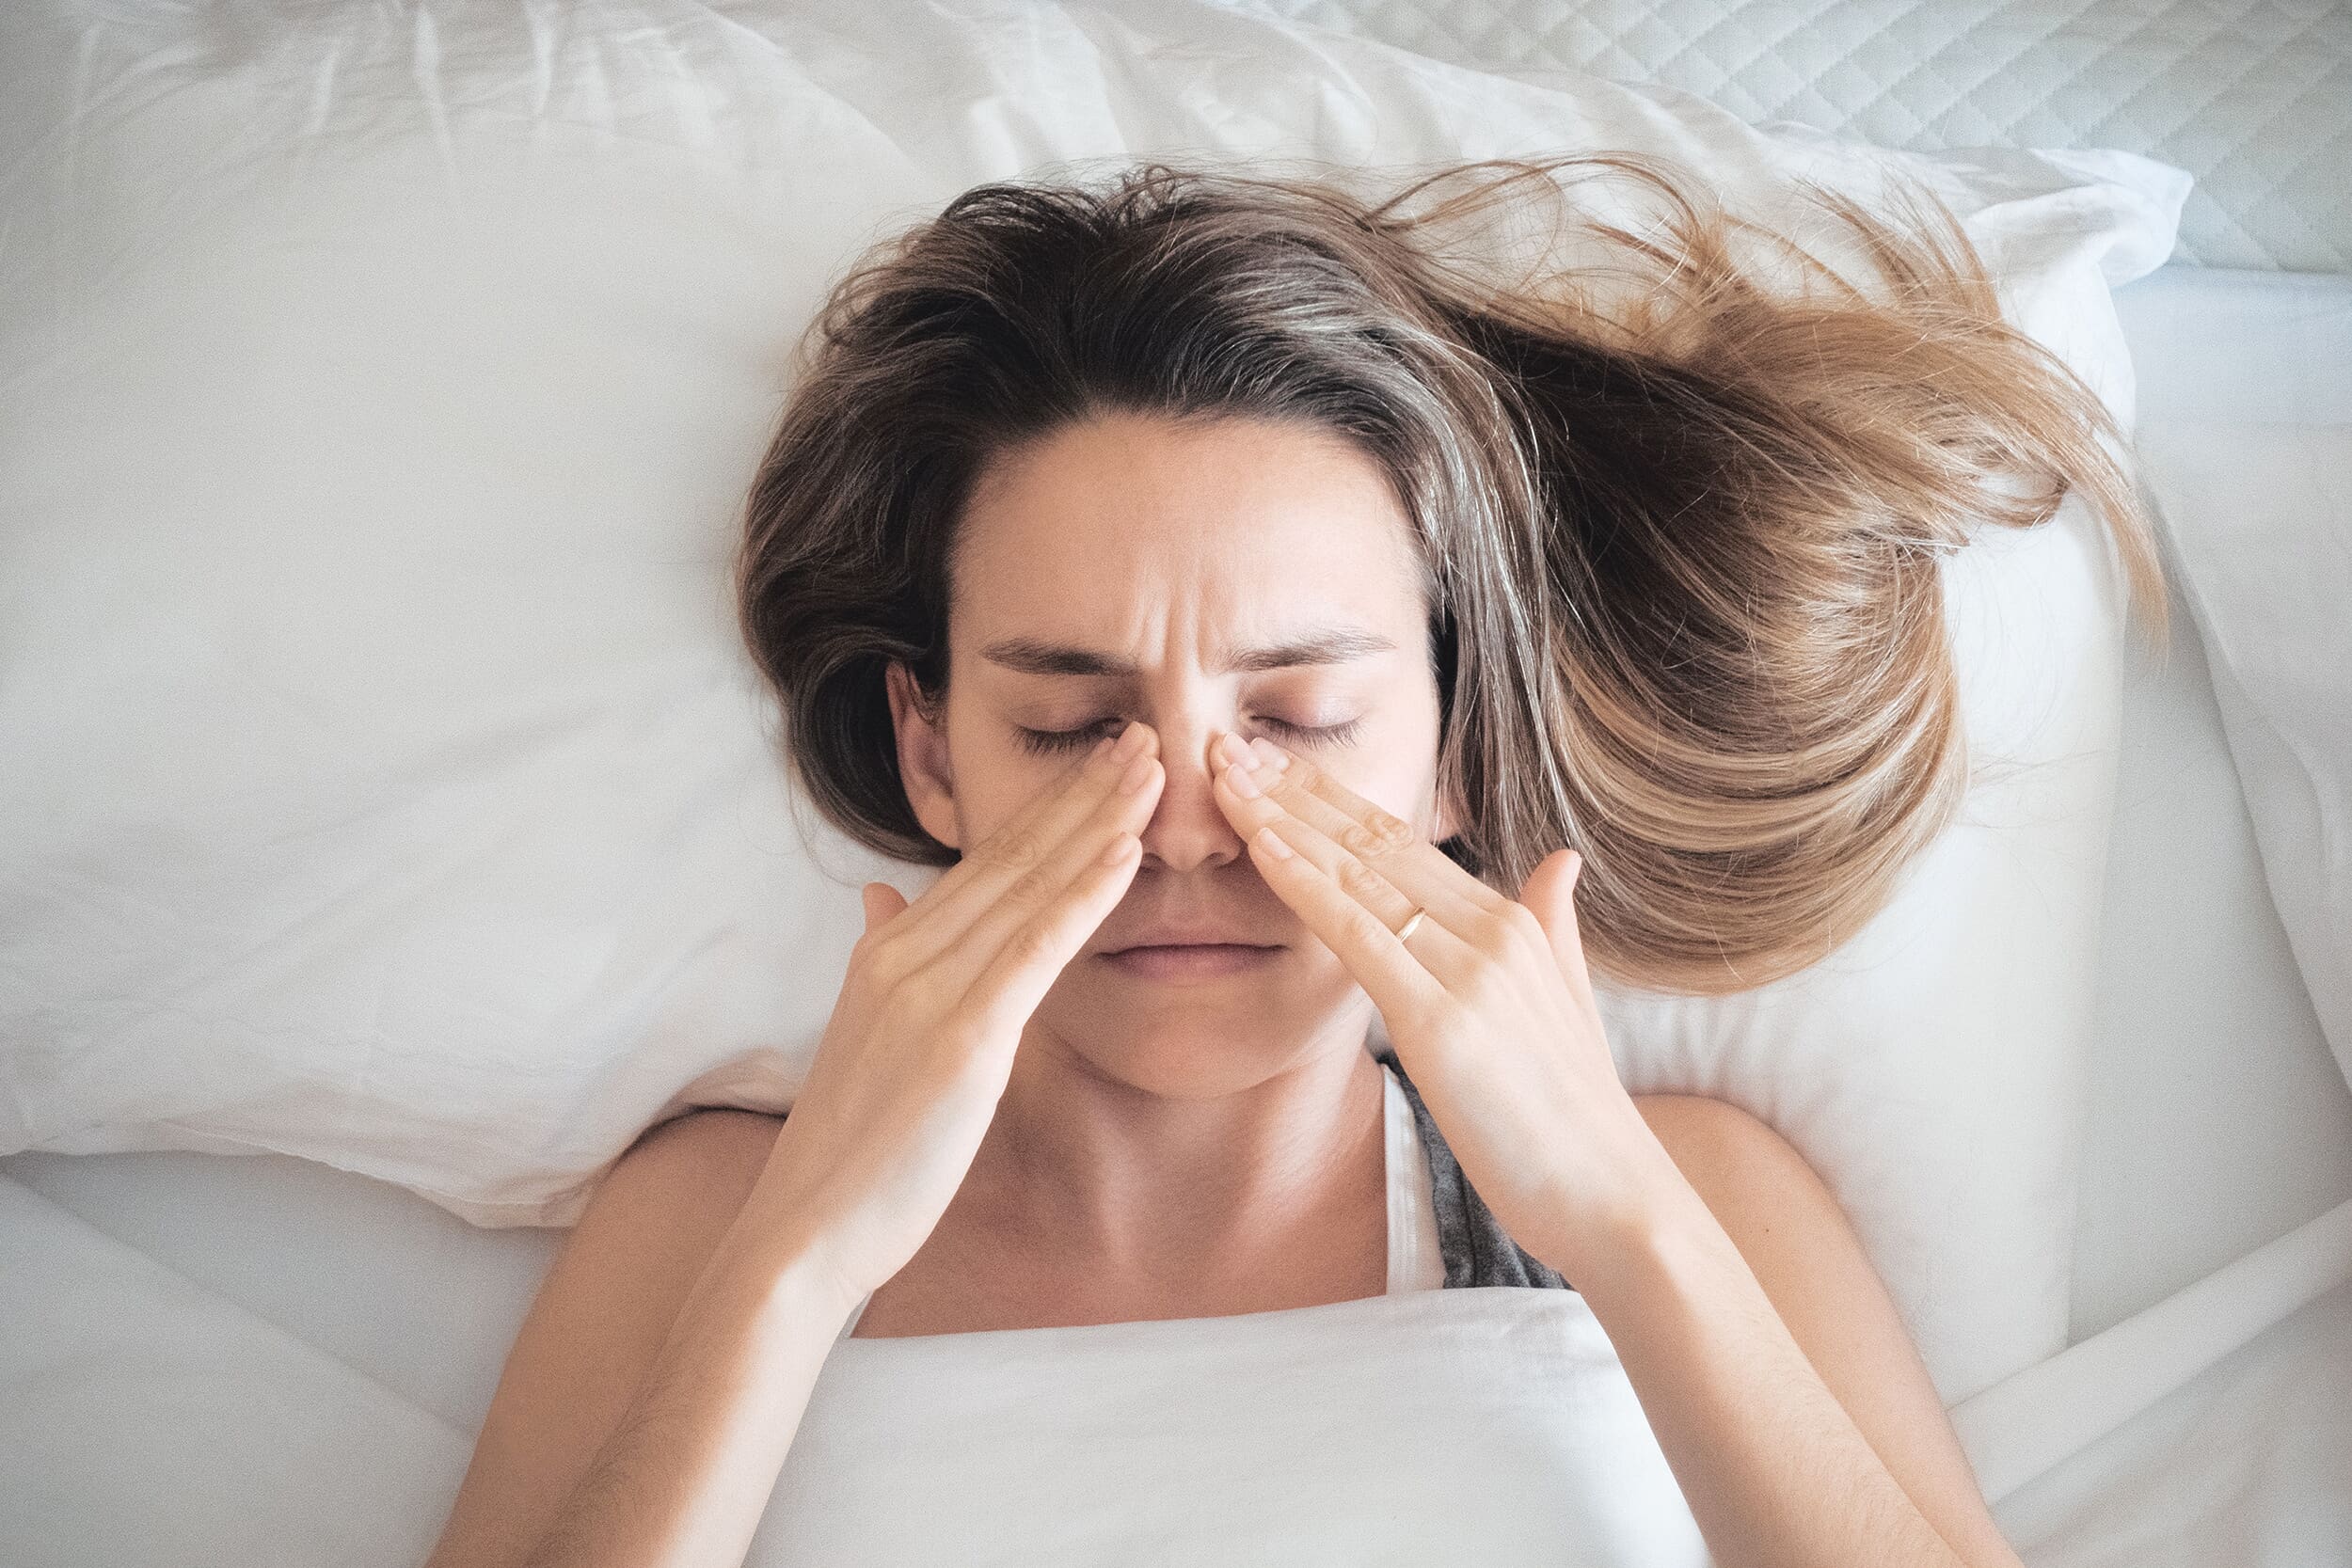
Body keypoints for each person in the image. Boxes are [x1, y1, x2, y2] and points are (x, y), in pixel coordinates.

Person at [422, 151, 2160, 1568]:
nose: (1182, 820)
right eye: (1065, 725)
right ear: (931, 751)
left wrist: (1618, 1219)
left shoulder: (1692, 1195)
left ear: (1455, 751)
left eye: (1305, 720)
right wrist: (802, 1259)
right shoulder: (716, 1224)